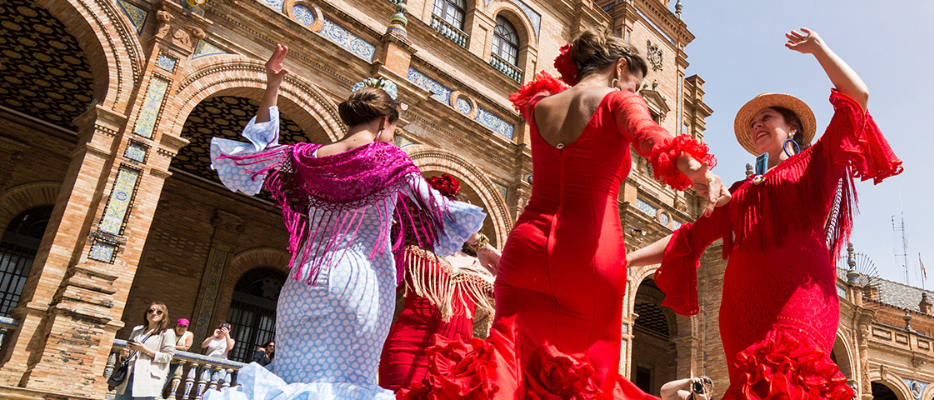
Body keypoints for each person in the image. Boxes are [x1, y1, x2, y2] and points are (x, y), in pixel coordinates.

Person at [629, 28, 900, 400]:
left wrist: (818, 49)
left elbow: (858, 97)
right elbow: (687, 238)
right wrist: (624, 260)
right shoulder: (737, 192)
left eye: (767, 118)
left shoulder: (817, 162)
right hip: (740, 311)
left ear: (792, 127)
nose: (758, 125)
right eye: (754, 122)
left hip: (800, 296)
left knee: (794, 379)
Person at [204, 44, 485, 400]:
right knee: (345, 387)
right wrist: (482, 247)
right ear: (385, 121)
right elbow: (440, 208)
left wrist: (272, 86)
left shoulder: (306, 156)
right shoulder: (390, 159)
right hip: (358, 285)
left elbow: (255, 154)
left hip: (302, 284)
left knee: (290, 382)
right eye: (394, 128)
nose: (393, 136)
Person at [481, 27, 727, 399]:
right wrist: (702, 174)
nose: (634, 93)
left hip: (526, 247)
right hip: (591, 253)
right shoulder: (617, 101)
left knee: (507, 363)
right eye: (636, 85)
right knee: (589, 374)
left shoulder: (539, 105)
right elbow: (652, 138)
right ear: (620, 66)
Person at [379, 174, 502, 392]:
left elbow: (516, 294)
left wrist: (482, 245)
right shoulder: (412, 254)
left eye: (454, 215)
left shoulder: (483, 266)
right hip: (406, 348)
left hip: (457, 361)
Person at [117, 302, 177, 400]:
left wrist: (145, 350)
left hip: (147, 379)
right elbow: (128, 352)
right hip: (128, 376)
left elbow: (168, 356)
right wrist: (124, 355)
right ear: (146, 314)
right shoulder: (137, 331)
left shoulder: (167, 333)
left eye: (159, 312)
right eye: (151, 311)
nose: (154, 313)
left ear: (163, 316)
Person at [162, 318, 195, 397]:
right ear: (176, 325)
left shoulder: (189, 334)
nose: (181, 328)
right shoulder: (169, 332)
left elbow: (186, 347)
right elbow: (163, 344)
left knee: (167, 379)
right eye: (180, 326)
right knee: (160, 377)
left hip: (176, 362)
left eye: (184, 327)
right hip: (164, 360)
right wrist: (179, 347)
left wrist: (171, 346)